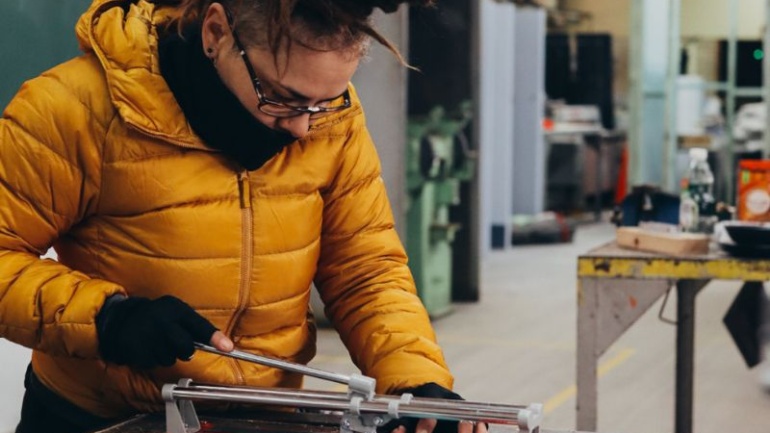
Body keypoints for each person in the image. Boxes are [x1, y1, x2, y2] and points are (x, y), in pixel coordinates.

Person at [0, 1, 488, 433]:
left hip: (261, 415)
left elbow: (366, 270)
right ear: (216, 33)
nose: (301, 128)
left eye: (323, 102)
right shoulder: (75, 109)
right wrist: (109, 319)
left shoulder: (332, 120)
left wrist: (416, 381)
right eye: (283, 99)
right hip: (100, 416)